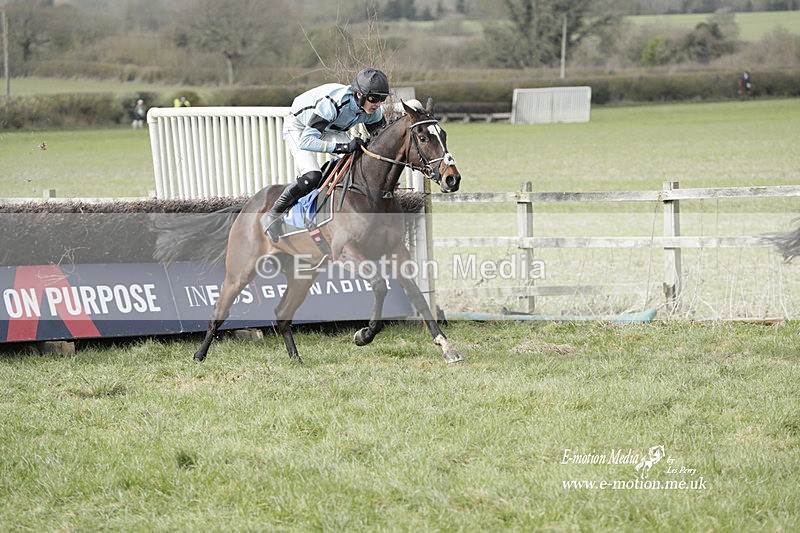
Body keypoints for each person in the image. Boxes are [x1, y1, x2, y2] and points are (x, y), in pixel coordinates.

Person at [262, 67, 390, 242]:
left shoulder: (373, 111)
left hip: (331, 127)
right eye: (374, 99)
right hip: (300, 127)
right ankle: (273, 213)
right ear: (359, 94)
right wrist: (344, 147)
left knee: (357, 165)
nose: (378, 104)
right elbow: (306, 141)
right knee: (312, 175)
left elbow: (381, 141)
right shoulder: (333, 103)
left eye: (382, 99)